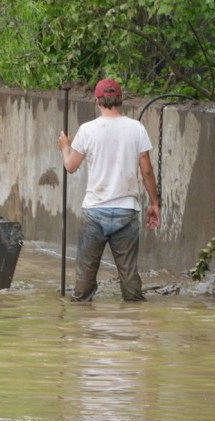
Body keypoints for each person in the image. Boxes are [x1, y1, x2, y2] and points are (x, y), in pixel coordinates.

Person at [57, 78, 161, 302]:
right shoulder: (137, 129)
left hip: (95, 212)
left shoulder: (88, 130)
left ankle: (81, 322)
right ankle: (133, 322)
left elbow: (70, 166)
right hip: (127, 211)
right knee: (130, 278)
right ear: (120, 100)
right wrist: (154, 203)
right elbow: (147, 171)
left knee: (84, 280)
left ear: (97, 101)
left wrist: (65, 147)